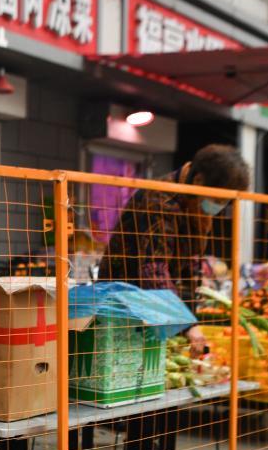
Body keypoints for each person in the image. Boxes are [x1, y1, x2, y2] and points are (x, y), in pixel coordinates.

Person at [98, 144, 251, 355]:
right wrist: (186, 323)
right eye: (218, 200)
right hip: (123, 300)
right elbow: (153, 267)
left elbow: (189, 262)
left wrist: (189, 312)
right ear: (199, 181)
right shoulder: (161, 199)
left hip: (157, 302)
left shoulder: (196, 206)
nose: (219, 207)